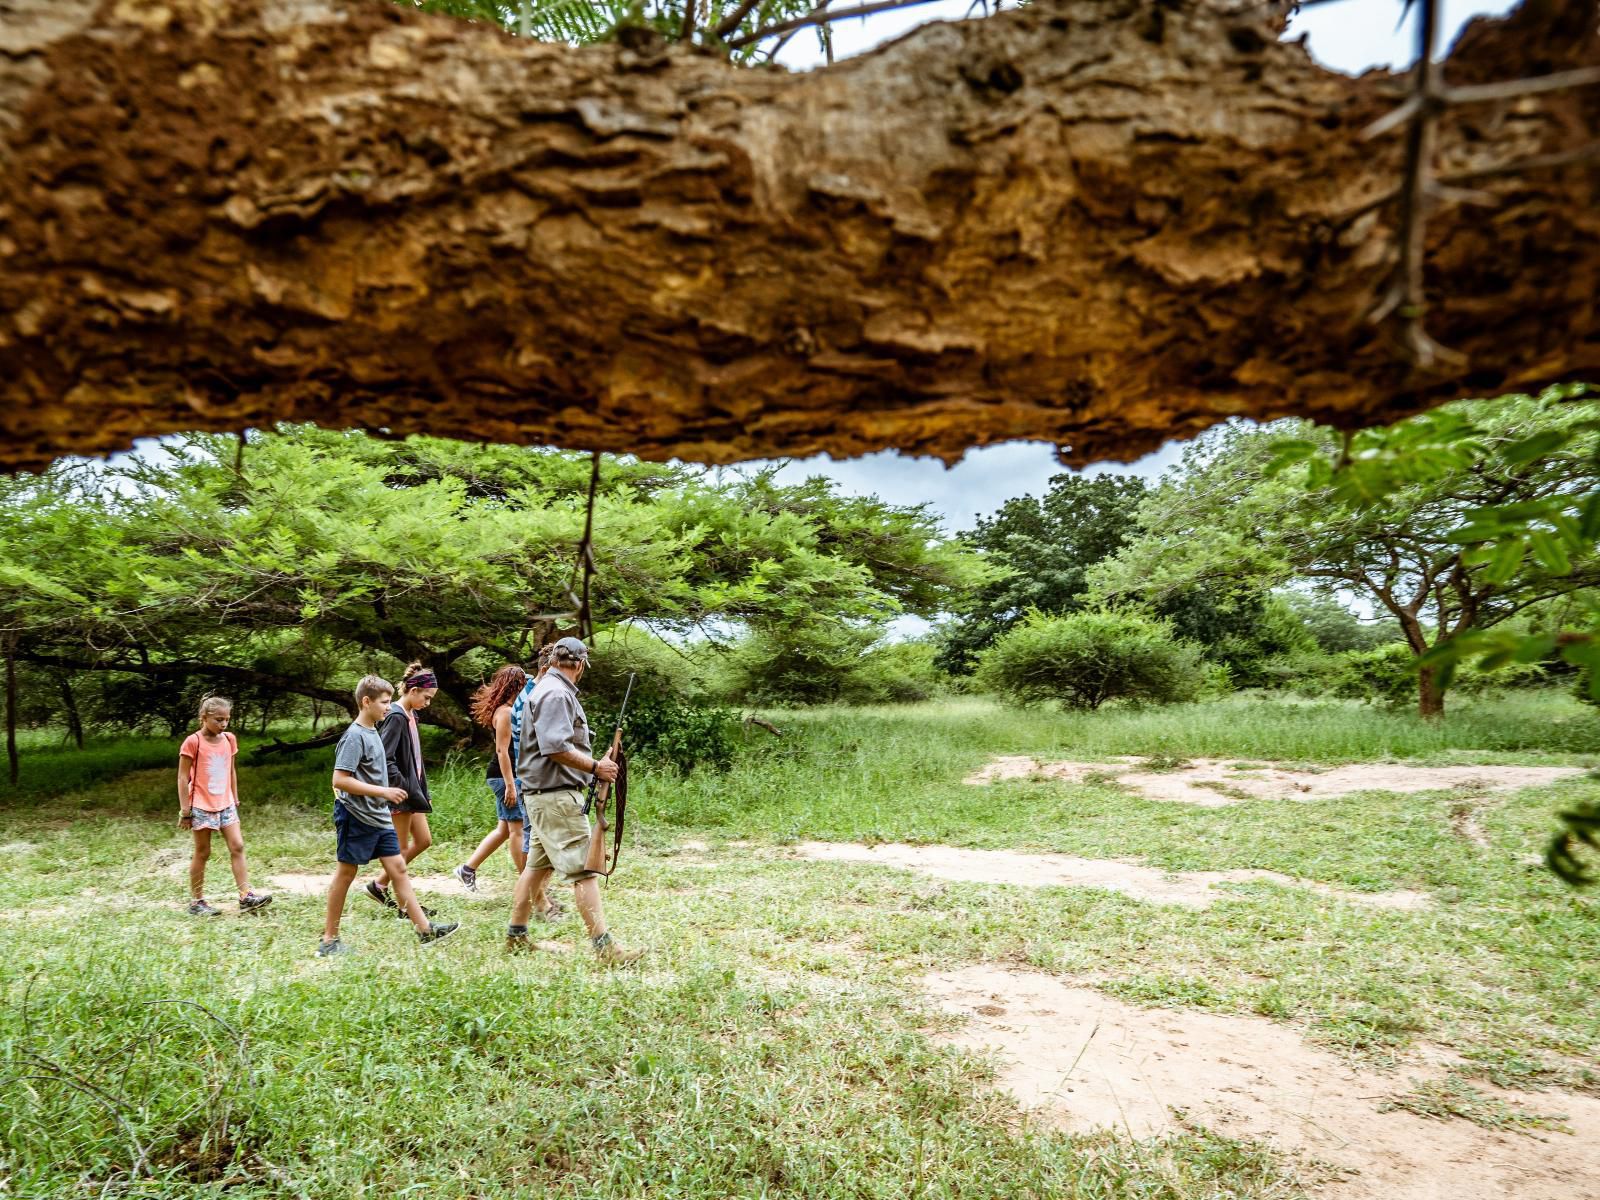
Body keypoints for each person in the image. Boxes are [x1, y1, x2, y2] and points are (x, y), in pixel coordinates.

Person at [504, 637, 642, 966]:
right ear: (579, 664)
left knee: (536, 869)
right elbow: (555, 746)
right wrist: (596, 767)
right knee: (584, 871)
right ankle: (605, 949)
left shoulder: (547, 688)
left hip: (543, 796)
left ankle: (516, 937)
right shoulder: (556, 693)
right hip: (555, 797)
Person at [319, 674, 458, 957]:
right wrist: (384, 792)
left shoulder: (373, 732)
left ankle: (424, 930)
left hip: (379, 816)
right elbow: (339, 780)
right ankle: (329, 940)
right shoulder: (354, 736)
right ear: (366, 702)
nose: (388, 707)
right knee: (346, 873)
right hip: (356, 816)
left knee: (398, 869)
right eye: (384, 702)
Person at [454, 664, 567, 920]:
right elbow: (502, 751)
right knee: (517, 831)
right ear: (515, 687)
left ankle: (467, 869)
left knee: (504, 829)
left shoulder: (507, 709)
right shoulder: (505, 713)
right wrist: (510, 784)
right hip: (504, 776)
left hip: (505, 777)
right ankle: (532, 890)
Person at [178, 696, 272, 916]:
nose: (223, 724)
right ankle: (197, 901)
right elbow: (182, 778)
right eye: (218, 719)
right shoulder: (193, 742)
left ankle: (245, 896)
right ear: (204, 717)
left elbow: (231, 770)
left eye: (226, 719)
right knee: (203, 851)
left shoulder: (229, 739)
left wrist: (234, 797)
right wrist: (185, 811)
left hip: (226, 803)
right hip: (201, 804)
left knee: (237, 846)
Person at [364, 663, 439, 916]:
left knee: (423, 841)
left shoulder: (410, 715)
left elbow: (414, 759)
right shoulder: (395, 715)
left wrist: (420, 788)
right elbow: (385, 758)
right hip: (401, 794)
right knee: (399, 850)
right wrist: (404, 786)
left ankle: (379, 883)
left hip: (412, 792)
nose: (428, 703)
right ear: (414, 690)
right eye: (426, 698)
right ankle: (406, 907)